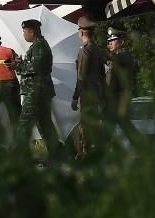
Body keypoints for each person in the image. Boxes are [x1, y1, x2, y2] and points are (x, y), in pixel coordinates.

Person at [14, 19, 63, 162]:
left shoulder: (40, 46)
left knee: (24, 123)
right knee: (45, 124)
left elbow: (36, 67)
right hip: (38, 91)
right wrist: (20, 64)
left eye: (24, 32)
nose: (23, 35)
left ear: (32, 32)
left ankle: (19, 158)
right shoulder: (37, 46)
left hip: (36, 92)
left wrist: (19, 67)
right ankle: (58, 155)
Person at [70, 16, 107, 158]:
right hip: (97, 93)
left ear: (81, 32)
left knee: (86, 124)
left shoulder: (84, 50)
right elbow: (102, 75)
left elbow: (81, 76)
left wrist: (75, 96)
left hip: (87, 93)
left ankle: (87, 153)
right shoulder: (97, 49)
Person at [105, 26, 144, 149]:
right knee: (120, 123)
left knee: (113, 123)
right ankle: (140, 145)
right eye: (109, 41)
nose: (110, 43)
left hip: (119, 96)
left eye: (113, 40)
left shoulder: (123, 56)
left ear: (121, 42)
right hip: (117, 96)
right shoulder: (118, 56)